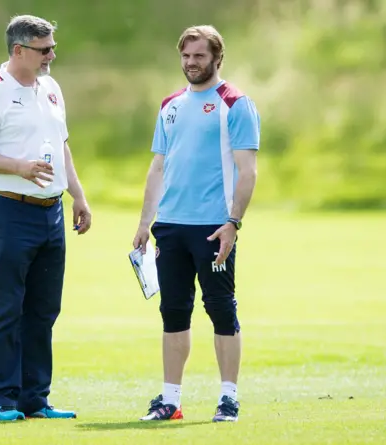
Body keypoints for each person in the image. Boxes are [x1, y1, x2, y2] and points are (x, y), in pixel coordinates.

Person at [0, 15, 91, 422]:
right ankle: (1, 399)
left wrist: (78, 196)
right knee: (6, 308)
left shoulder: (50, 88)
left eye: (52, 46)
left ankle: (36, 398)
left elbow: (61, 145)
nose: (52, 54)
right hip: (7, 210)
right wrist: (19, 167)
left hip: (50, 213)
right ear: (19, 50)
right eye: (44, 48)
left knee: (43, 309)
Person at [132, 25, 260, 423]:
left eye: (199, 56)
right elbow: (158, 166)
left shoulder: (235, 104)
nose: (191, 63)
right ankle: (170, 400)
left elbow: (248, 170)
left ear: (217, 58)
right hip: (170, 227)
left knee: (221, 309)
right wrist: (144, 222)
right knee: (173, 312)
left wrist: (233, 222)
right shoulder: (170, 105)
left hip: (213, 227)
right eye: (186, 56)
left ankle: (228, 398)